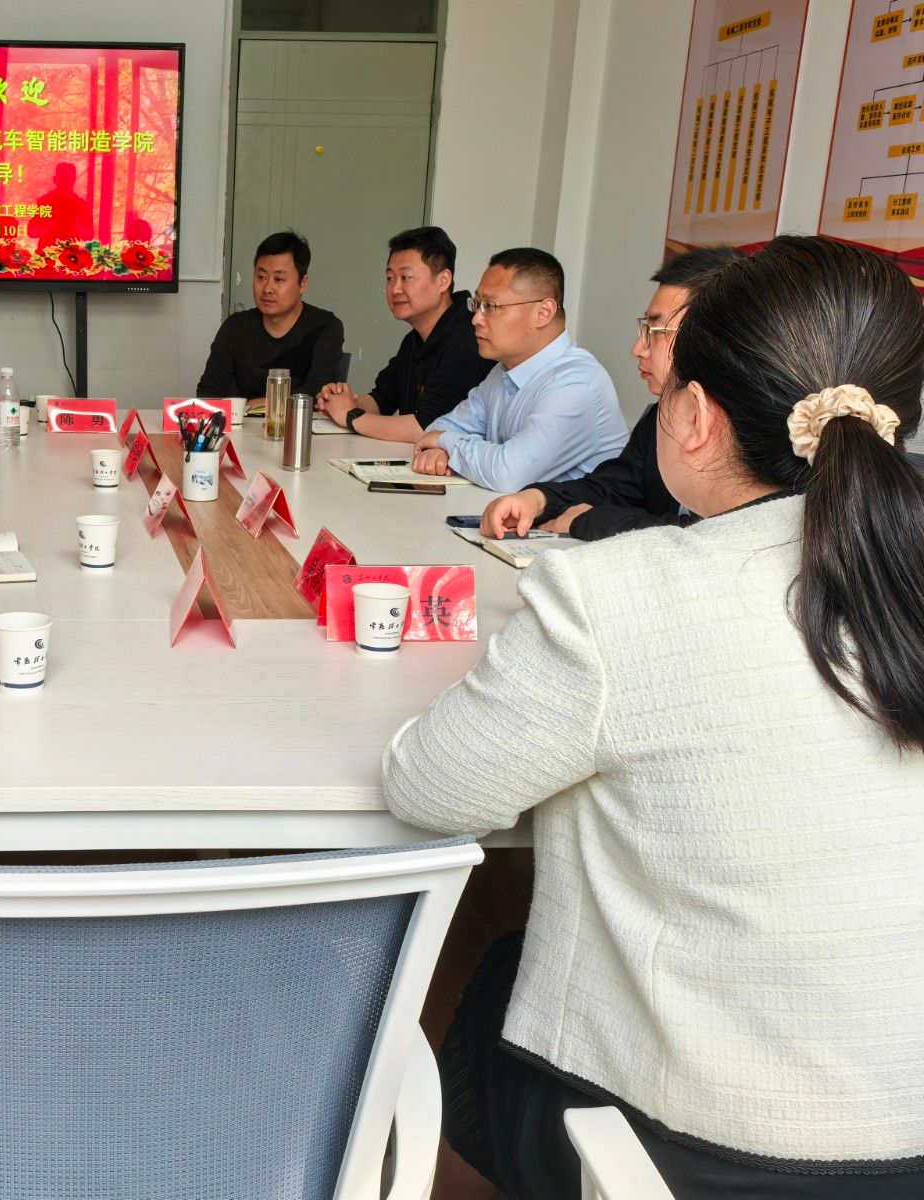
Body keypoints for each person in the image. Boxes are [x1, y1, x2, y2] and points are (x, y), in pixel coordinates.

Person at [385, 235, 924, 1198]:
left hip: (710, 1155)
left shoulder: (619, 596)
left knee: (484, 991)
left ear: (698, 415)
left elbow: (429, 788)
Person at [481, 245, 743, 540]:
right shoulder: (661, 415)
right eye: (643, 330)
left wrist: (594, 520)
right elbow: (614, 487)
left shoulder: (753, 434)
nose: (638, 349)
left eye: (655, 333)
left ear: (708, 337)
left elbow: (712, 537)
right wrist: (539, 499)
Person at [410, 247, 624, 493]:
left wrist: (446, 443)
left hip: (572, 518)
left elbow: (508, 474)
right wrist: (439, 449)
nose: (476, 319)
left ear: (543, 312)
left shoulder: (576, 384)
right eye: (477, 304)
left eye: (490, 306)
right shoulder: (502, 371)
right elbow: (441, 427)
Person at [318, 226, 490, 442]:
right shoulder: (415, 339)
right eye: (390, 278)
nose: (395, 289)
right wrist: (341, 402)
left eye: (406, 277)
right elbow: (382, 400)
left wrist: (350, 416)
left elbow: (429, 427)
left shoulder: (467, 338)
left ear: (443, 280)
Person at [195, 230, 345, 400]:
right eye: (261, 277)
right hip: (241, 418)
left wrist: (263, 404)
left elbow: (319, 393)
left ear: (303, 284)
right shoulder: (235, 327)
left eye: (279, 280)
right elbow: (209, 392)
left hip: (299, 418)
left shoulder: (325, 326)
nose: (267, 289)